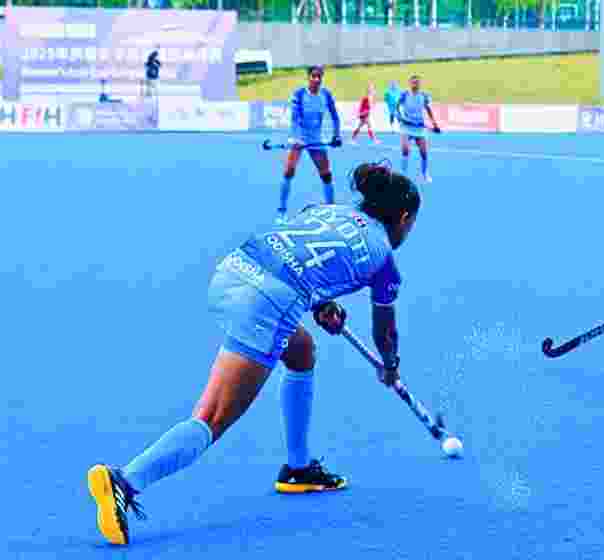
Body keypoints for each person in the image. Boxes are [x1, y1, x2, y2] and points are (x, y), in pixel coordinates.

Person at [86, 161, 421, 546]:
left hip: (233, 271)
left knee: (302, 350)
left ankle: (298, 468)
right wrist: (390, 368)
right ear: (403, 218)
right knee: (212, 417)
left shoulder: (325, 210)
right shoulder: (385, 262)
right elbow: (386, 333)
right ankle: (125, 481)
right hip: (267, 303)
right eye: (410, 226)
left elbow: (304, 253)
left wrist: (320, 301)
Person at [277, 65, 343, 224]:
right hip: (300, 138)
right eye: (313, 76)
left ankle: (331, 210)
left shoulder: (326, 94)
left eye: (319, 76)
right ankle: (281, 212)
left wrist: (336, 135)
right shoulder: (299, 94)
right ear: (308, 77)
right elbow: (295, 119)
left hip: (316, 139)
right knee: (288, 172)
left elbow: (335, 117)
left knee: (326, 175)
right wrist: (297, 138)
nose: (316, 79)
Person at [396, 75, 441, 183]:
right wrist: (400, 117)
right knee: (405, 150)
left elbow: (428, 109)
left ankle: (424, 174)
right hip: (406, 126)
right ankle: (403, 175)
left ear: (420, 84)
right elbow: (397, 107)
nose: (415, 84)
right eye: (413, 82)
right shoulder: (404, 95)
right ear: (409, 83)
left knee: (424, 152)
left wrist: (434, 124)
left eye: (417, 82)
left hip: (419, 128)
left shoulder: (424, 96)